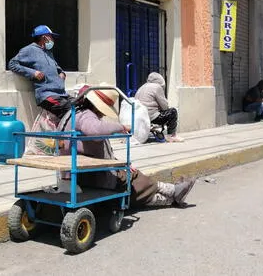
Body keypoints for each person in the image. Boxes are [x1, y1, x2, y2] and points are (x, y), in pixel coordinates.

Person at [58, 85, 195, 208]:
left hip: (79, 170)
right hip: (87, 174)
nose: (103, 114)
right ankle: (172, 192)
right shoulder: (86, 116)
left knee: (129, 176)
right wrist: (121, 127)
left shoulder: (72, 114)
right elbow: (95, 130)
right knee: (131, 178)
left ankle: (172, 193)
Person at [8, 25, 70, 118]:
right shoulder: (29, 50)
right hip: (47, 95)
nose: (53, 39)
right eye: (51, 36)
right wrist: (33, 73)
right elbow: (12, 64)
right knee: (69, 109)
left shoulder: (48, 52)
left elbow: (57, 67)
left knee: (81, 106)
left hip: (62, 94)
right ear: (44, 37)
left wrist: (62, 73)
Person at [135, 72, 184, 142]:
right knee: (173, 111)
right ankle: (171, 135)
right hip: (151, 117)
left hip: (139, 116)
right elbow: (165, 107)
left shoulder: (142, 87)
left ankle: (154, 128)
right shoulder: (157, 87)